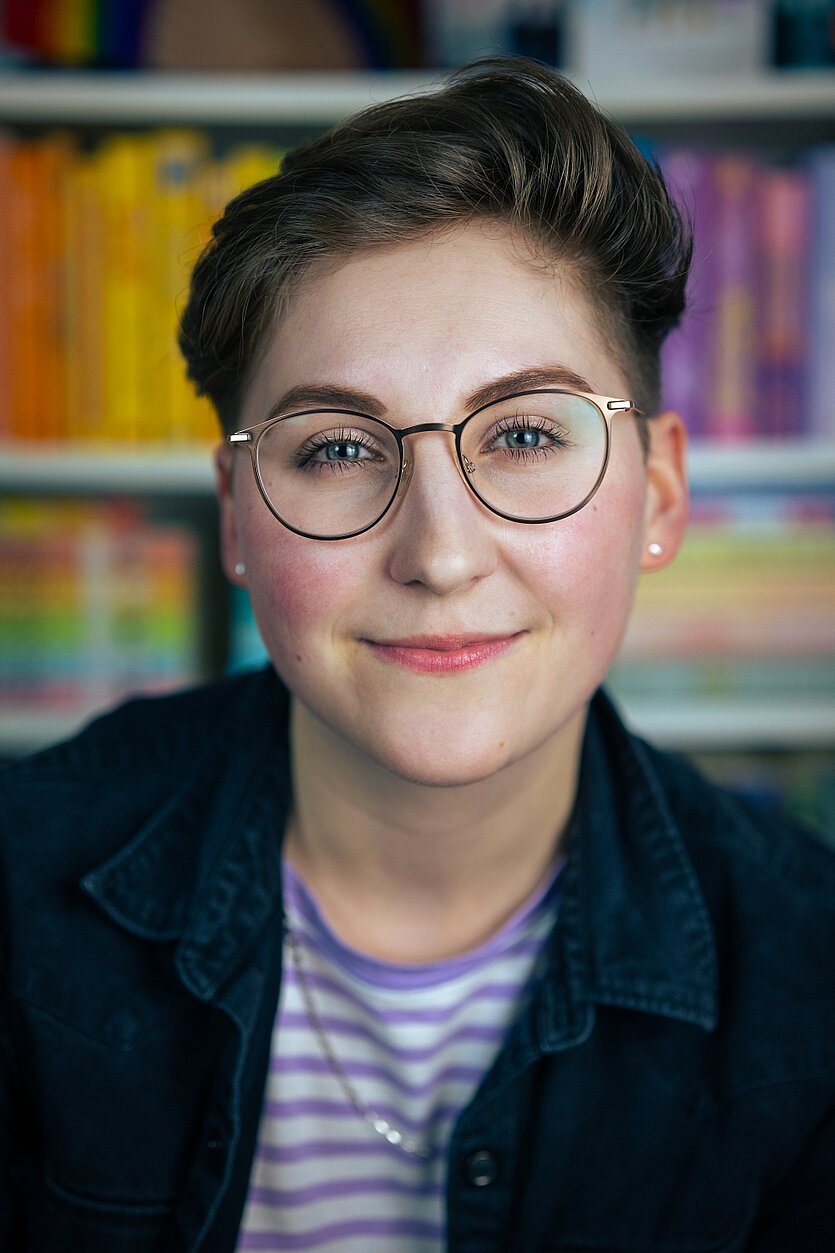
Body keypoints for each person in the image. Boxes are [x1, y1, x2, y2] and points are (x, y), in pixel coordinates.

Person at [2, 57, 834, 1253]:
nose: (439, 554)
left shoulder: (808, 984)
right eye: (338, 449)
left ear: (656, 492)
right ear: (238, 514)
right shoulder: (21, 898)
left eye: (528, 434)